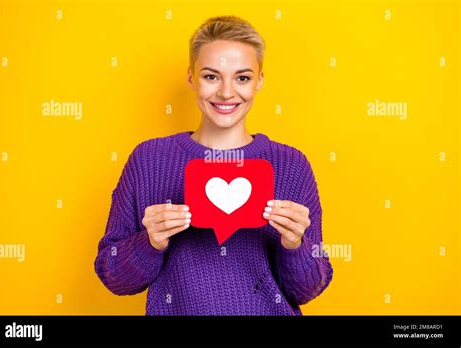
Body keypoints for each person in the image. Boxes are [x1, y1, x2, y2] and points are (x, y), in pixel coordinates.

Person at [94, 15, 333, 315]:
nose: (226, 92)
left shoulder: (291, 165)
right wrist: (149, 243)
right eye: (211, 76)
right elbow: (113, 276)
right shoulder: (148, 159)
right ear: (191, 77)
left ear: (259, 81)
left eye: (242, 77)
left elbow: (307, 289)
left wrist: (295, 245)